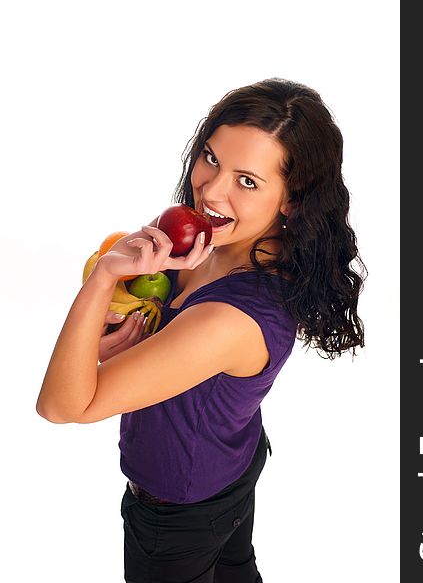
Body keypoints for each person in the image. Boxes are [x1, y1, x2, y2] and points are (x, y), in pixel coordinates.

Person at [36, 77, 367, 583]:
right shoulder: (215, 240)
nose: (211, 190)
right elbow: (158, 325)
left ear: (292, 200)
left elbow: (62, 406)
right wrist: (130, 323)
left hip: (179, 511)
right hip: (232, 458)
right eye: (211, 158)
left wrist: (105, 276)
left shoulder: (230, 319)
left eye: (247, 181)